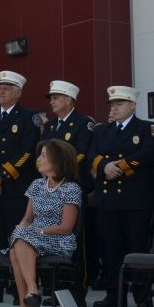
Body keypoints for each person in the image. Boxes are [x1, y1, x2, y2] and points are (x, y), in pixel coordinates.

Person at [87, 86, 154, 307]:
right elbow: (91, 154)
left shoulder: (147, 128)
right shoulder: (102, 131)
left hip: (135, 200)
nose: (114, 108)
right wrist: (104, 166)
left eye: (119, 104)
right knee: (111, 250)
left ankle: (142, 294)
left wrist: (120, 167)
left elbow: (149, 153)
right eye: (112, 104)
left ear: (132, 106)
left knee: (137, 249)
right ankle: (114, 294)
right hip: (108, 200)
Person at [0, 139, 81, 307]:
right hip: (32, 238)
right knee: (17, 242)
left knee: (16, 249)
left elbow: (66, 227)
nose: (39, 159)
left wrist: (38, 231)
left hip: (57, 239)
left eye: (44, 155)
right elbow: (27, 218)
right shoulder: (37, 185)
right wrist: (20, 230)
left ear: (57, 161)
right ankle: (31, 292)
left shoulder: (71, 188)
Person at [0, 71, 42, 303]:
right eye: (0, 87)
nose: (1, 90)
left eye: (7, 87)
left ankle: (19, 290)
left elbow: (27, 151)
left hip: (15, 189)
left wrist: (1, 176)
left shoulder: (29, 117)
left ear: (18, 92)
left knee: (17, 240)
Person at [41, 79, 99, 291]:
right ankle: (52, 286)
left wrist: (57, 174)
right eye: (51, 98)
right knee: (50, 236)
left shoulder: (83, 124)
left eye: (56, 98)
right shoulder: (49, 126)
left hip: (71, 188)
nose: (52, 102)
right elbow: (42, 154)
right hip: (50, 189)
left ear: (68, 99)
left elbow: (80, 155)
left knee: (74, 238)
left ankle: (75, 285)